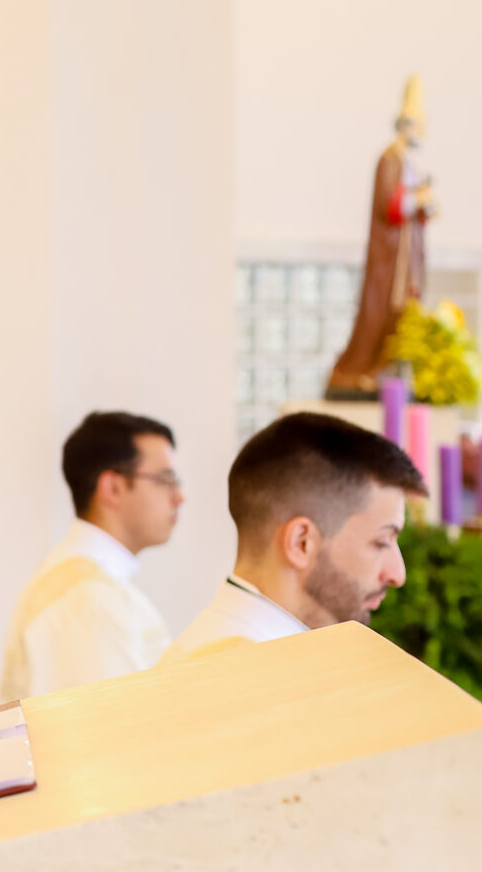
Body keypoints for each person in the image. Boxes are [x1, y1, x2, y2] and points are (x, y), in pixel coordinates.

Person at [161, 412, 422, 665]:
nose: (397, 575)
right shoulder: (245, 670)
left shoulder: (264, 652)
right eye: (381, 542)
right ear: (301, 543)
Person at [0, 411, 180, 700]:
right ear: (113, 488)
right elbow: (117, 721)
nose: (179, 496)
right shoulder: (88, 598)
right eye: (165, 479)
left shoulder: (90, 584)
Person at [326, 76, 436, 396]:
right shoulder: (389, 159)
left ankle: (381, 371)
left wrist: (425, 204)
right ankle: (360, 369)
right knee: (378, 315)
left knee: (402, 317)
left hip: (406, 261)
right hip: (389, 262)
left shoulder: (410, 164)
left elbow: (414, 211)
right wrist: (416, 199)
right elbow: (390, 204)